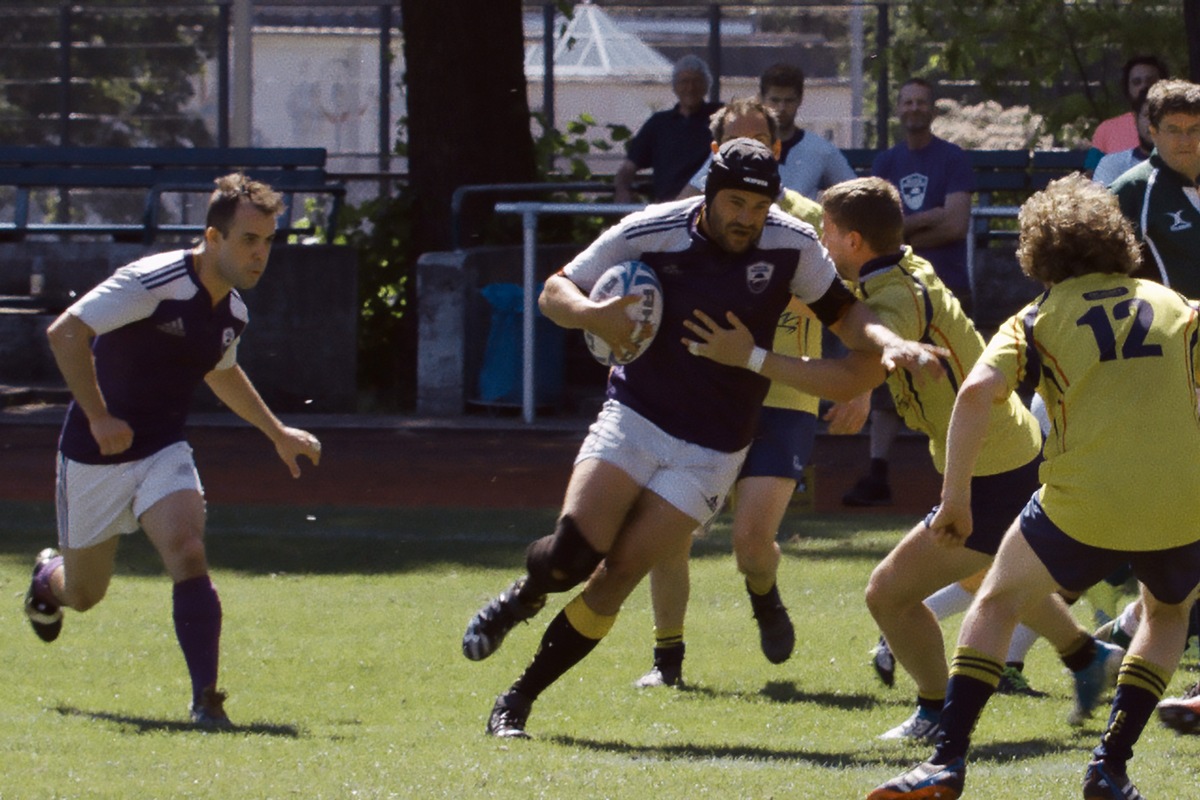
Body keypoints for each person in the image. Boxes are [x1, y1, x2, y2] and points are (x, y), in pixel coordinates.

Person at [460, 138, 945, 739]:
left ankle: (516, 700)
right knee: (571, 557)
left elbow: (846, 315)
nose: (746, 217)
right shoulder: (652, 228)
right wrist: (594, 315)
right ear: (711, 194)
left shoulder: (792, 243)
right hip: (635, 416)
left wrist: (888, 343)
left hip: (714, 448)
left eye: (758, 206)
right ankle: (525, 595)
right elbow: (556, 289)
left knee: (616, 576)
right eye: (735, 203)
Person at [692, 176, 1123, 742]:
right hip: (1005, 450)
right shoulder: (899, 263)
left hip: (991, 467)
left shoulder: (892, 298)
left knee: (889, 593)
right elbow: (861, 307)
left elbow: (850, 374)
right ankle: (1087, 657)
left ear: (851, 241)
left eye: (826, 234)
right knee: (993, 574)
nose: (818, 243)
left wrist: (748, 356)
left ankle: (936, 709)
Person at [868, 173, 1200, 800]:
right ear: (1118, 240)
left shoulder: (1037, 318)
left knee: (995, 601)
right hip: (1181, 501)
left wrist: (958, 498)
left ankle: (946, 760)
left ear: (1036, 254)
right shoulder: (1175, 305)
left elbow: (973, 394)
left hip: (1083, 503)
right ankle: (1110, 765)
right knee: (1168, 613)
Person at [22, 173, 323, 729]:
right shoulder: (150, 280)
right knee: (86, 594)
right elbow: (65, 334)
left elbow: (221, 372)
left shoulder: (232, 313)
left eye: (268, 242)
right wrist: (98, 416)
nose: (260, 255)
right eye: (248, 241)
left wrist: (277, 432)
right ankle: (47, 580)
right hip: (92, 454)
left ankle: (206, 700)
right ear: (213, 238)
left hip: (163, 449)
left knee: (187, 551)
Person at [635, 97, 827, 689]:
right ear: (714, 154)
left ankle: (763, 592)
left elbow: (850, 308)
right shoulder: (682, 224)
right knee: (665, 530)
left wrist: (858, 387)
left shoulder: (810, 222)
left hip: (784, 398)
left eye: (760, 144)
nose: (749, 155)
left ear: (777, 150)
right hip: (704, 394)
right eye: (734, 145)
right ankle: (668, 661)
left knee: (750, 539)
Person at [843, 78, 975, 508]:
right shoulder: (886, 160)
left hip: (946, 285)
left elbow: (956, 224)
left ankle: (961, 480)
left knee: (954, 381)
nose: (914, 108)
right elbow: (880, 229)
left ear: (932, 109)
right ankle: (877, 473)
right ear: (899, 109)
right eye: (907, 102)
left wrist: (902, 227)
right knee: (886, 376)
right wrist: (927, 220)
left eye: (921, 102)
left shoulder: (952, 158)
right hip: (895, 284)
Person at [678, 62, 857, 202]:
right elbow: (692, 192)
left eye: (789, 101)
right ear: (761, 99)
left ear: (800, 100)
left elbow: (855, 192)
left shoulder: (820, 150)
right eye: (775, 100)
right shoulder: (735, 145)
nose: (781, 108)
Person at [1111, 78, 1200, 300]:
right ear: (1153, 131)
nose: (1185, 140)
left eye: (1194, 128)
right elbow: (1101, 274)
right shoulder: (1133, 189)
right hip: (1169, 330)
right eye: (1173, 130)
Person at [613, 55, 723, 204]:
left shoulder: (721, 118)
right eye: (684, 81)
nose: (690, 88)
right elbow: (628, 167)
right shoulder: (659, 123)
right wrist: (622, 190)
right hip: (667, 210)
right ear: (675, 86)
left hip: (707, 208)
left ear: (706, 85)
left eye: (697, 81)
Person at [1086, 55, 1169, 173]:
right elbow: (1091, 174)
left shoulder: (1180, 124)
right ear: (1127, 88)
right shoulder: (1105, 129)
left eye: (1150, 81)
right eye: (1136, 82)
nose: (1144, 86)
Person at [1092, 88, 1154, 187]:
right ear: (1135, 118)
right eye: (1147, 115)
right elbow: (1098, 200)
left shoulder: (1184, 166)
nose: (1153, 122)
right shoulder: (1111, 164)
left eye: (1160, 116)